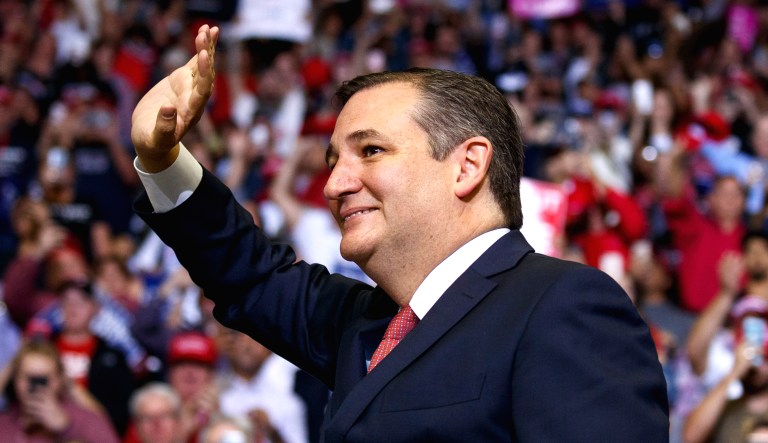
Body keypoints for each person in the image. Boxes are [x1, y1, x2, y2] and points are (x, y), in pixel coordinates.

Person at [131, 25, 668, 441]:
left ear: (467, 166)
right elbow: (251, 277)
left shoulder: (566, 307)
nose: (334, 185)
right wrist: (161, 161)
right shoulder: (365, 323)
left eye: (370, 151)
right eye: (333, 161)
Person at [0, 339, 120, 443]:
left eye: (42, 379)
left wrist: (66, 428)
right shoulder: (4, 422)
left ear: (59, 380)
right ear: (15, 379)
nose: (35, 387)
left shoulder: (86, 421)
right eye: (28, 378)